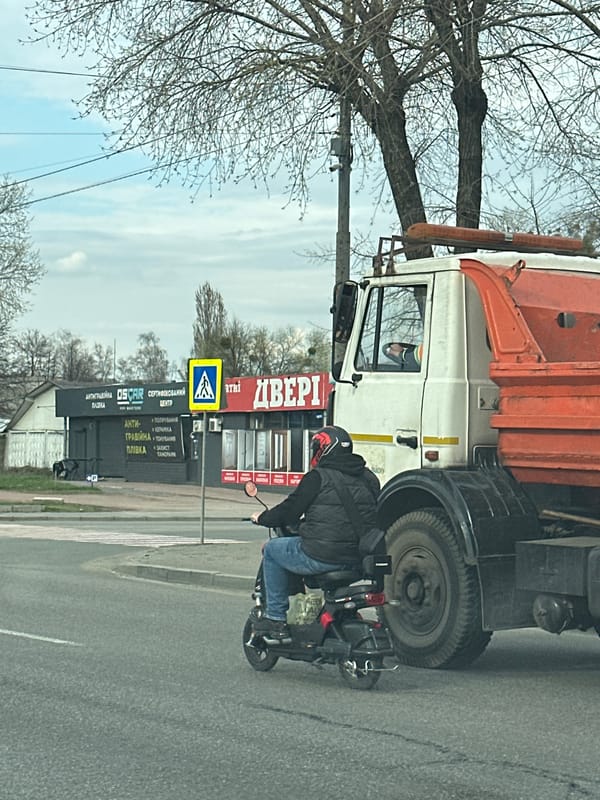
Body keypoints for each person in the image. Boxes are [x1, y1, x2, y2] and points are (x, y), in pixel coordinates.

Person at [250, 425, 380, 640]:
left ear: (322, 449)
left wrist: (263, 518)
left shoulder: (317, 477)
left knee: (273, 550)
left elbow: (289, 511)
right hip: (360, 557)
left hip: (324, 554)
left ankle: (276, 619)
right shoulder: (369, 478)